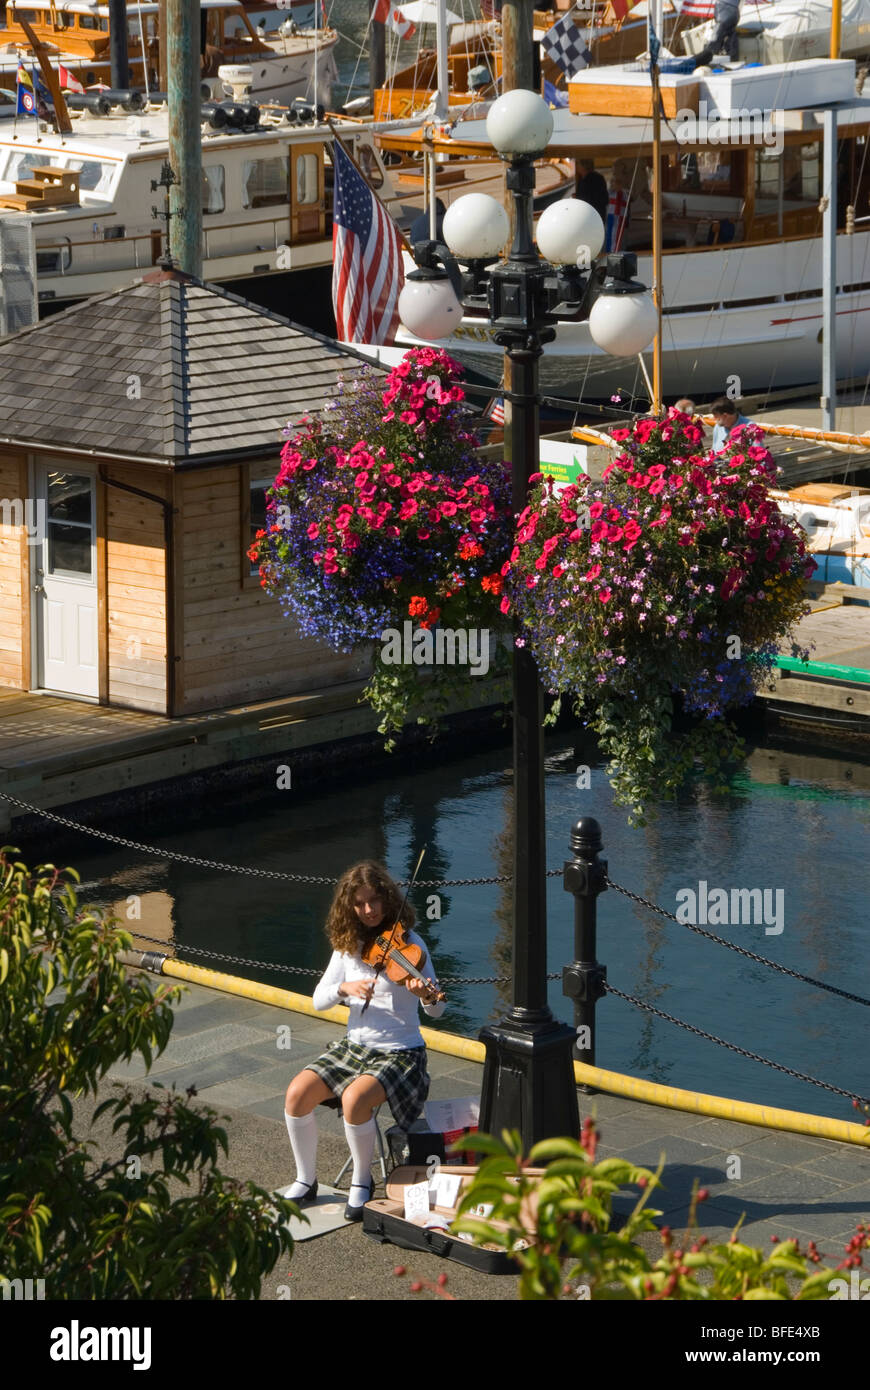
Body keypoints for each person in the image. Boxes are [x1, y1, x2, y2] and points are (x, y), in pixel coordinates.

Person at [283, 860, 445, 1221]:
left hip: (401, 1053)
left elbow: (436, 1012)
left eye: (374, 901)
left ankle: (362, 1180)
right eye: (360, 904)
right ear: (349, 907)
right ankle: (305, 1179)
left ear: (387, 899)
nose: (369, 910)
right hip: (354, 1047)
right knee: (296, 1093)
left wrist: (426, 996)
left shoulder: (412, 945)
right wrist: (344, 987)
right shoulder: (347, 947)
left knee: (356, 1098)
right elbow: (319, 1000)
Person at [693, 0, 741, 69]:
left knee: (718, 36)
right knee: (730, 34)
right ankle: (732, 59)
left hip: (725, 8)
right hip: (731, 9)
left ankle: (705, 57)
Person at [574, 158, 608, 229]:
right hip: (592, 215)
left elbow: (599, 198)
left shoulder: (594, 179)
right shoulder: (582, 179)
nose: (576, 166)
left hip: (592, 216)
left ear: (584, 166)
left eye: (577, 164)